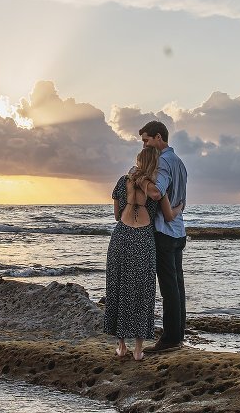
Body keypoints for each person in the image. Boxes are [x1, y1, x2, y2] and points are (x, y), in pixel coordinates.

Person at [104, 147, 184, 361]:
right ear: (155, 165)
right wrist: (180, 207)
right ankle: (138, 350)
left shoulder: (122, 181)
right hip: (143, 240)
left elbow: (116, 215)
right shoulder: (157, 189)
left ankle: (122, 346)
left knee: (118, 287)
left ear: (138, 161)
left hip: (121, 237)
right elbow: (169, 216)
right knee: (143, 291)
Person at [139, 120, 188, 353]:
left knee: (169, 288)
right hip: (178, 230)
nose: (144, 145)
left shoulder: (164, 162)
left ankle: (169, 339)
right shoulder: (179, 162)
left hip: (164, 231)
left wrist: (140, 179)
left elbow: (157, 192)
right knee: (177, 285)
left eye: (146, 140)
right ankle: (178, 334)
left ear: (159, 137)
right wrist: (177, 210)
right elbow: (182, 199)